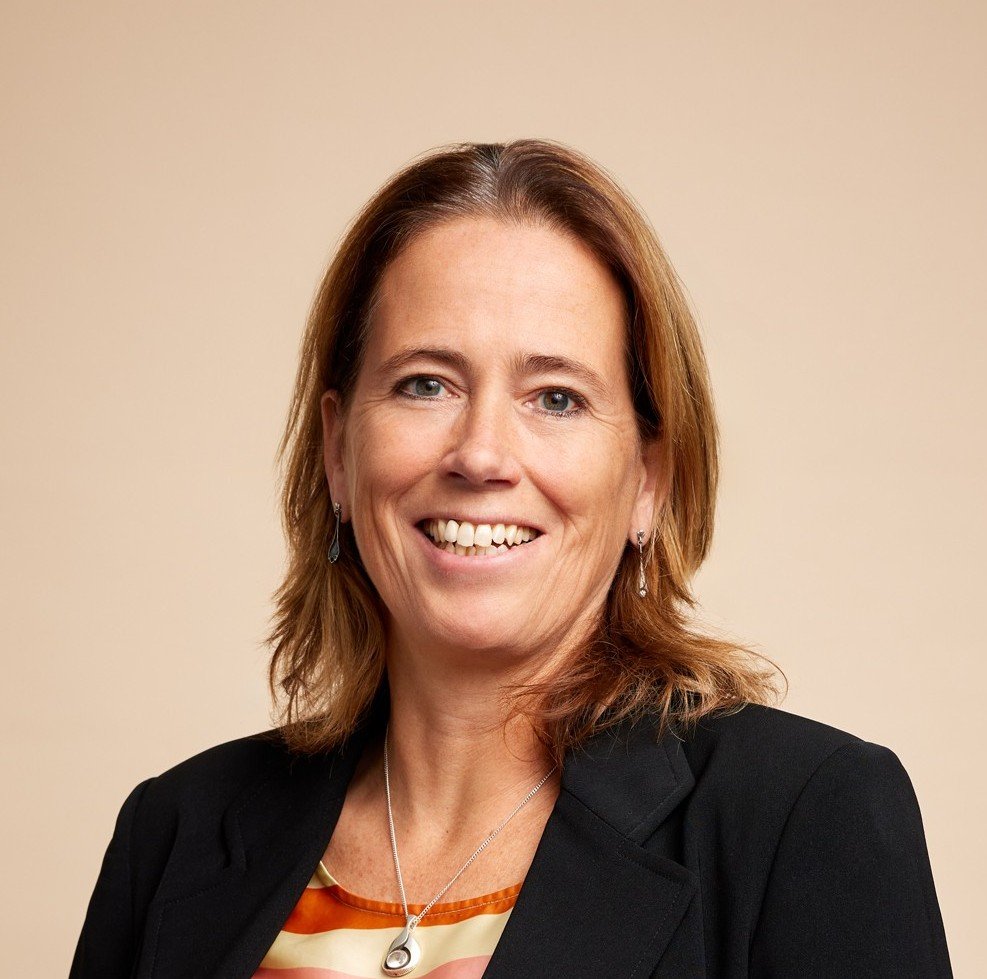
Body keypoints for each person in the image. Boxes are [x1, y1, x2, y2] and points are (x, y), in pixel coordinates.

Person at [70, 138, 952, 979]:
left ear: (649, 479)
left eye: (556, 397)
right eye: (426, 383)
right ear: (338, 451)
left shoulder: (804, 815)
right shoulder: (176, 830)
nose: (481, 453)